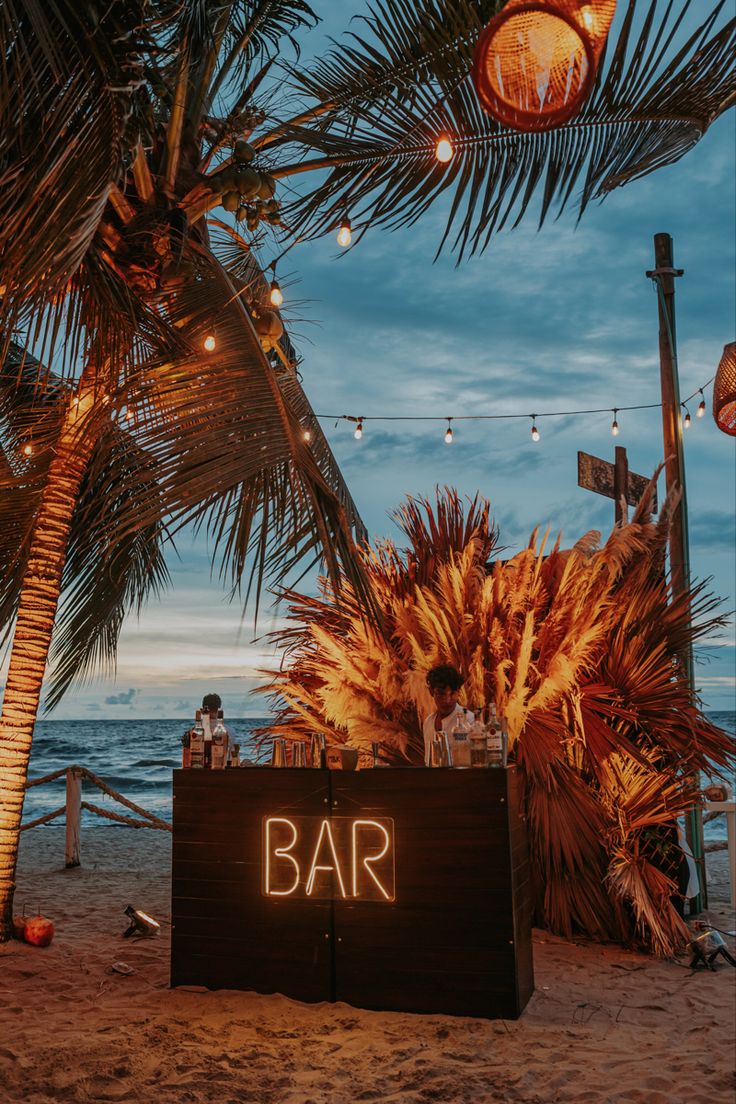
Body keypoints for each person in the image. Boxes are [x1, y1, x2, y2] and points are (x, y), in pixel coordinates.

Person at [422, 664, 473, 766]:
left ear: (458, 692)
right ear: (431, 692)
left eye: (452, 693)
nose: (447, 700)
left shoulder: (468, 720)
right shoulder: (428, 722)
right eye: (441, 694)